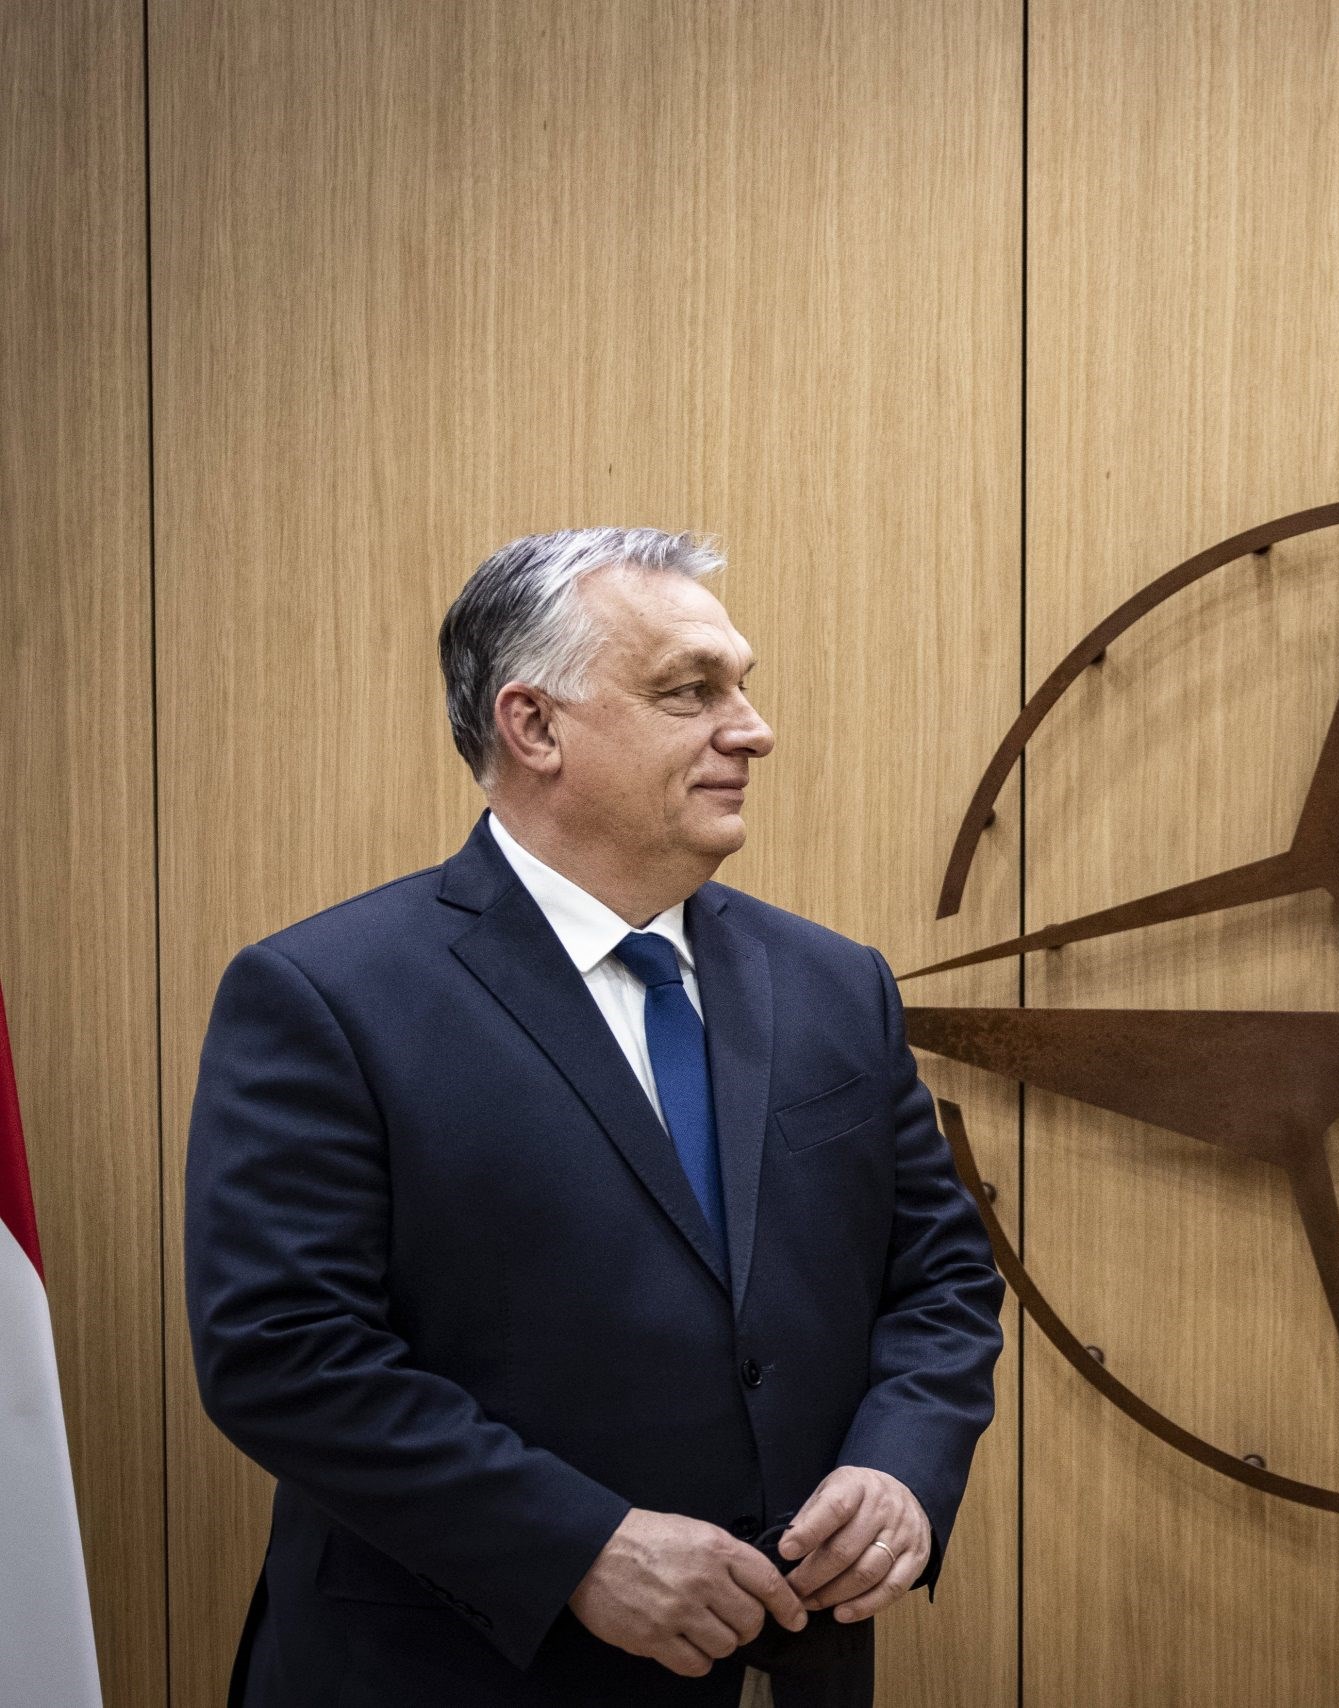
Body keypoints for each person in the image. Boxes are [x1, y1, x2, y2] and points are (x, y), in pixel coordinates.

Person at [187, 528, 1006, 1707]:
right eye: (690, 691)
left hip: (796, 1663)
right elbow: (283, 1352)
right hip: (457, 1667)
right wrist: (577, 1543)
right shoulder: (325, 994)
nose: (752, 728)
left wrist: (899, 1470)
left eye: (743, 685)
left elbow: (938, 1280)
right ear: (534, 726)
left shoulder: (838, 983)